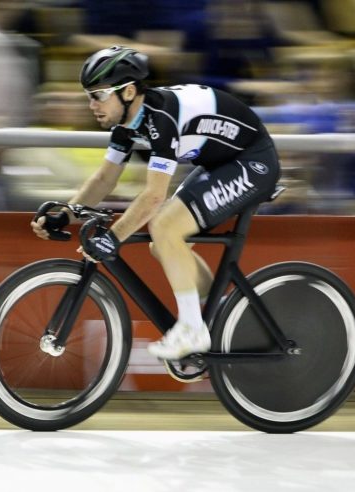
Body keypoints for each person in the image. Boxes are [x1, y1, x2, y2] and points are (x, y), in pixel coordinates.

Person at [31, 46, 280, 360]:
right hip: (222, 163)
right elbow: (104, 179)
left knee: (164, 226)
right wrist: (65, 215)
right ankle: (216, 315)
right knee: (161, 243)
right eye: (89, 96)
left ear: (129, 91)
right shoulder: (127, 123)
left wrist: (112, 238)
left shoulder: (160, 119)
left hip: (253, 162)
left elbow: (153, 197)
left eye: (99, 95)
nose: (91, 104)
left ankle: (192, 329)